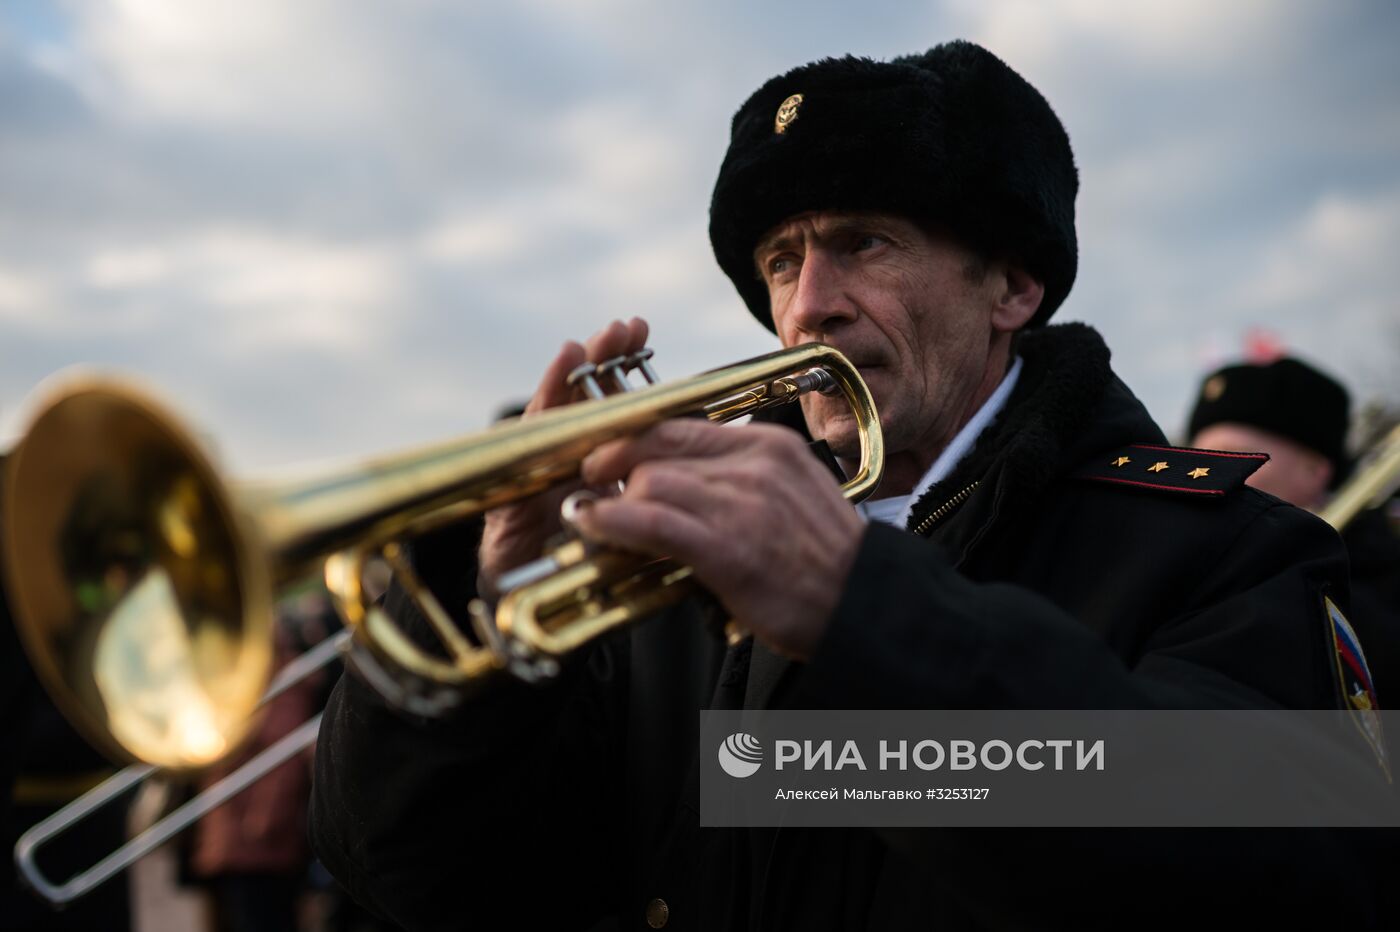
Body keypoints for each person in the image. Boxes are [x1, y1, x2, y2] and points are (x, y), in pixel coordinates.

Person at [310, 42, 1395, 929]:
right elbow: (417, 878)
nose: (805, 306)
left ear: (1011, 284)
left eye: (861, 243)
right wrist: (484, 607)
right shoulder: (659, 558)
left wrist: (857, 604)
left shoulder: (1222, 544)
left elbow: (1302, 863)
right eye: (780, 261)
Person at [1189, 357, 1400, 706]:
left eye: (1231, 456)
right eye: (1197, 459)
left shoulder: (1380, 572)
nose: (1206, 473)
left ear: (1314, 470)